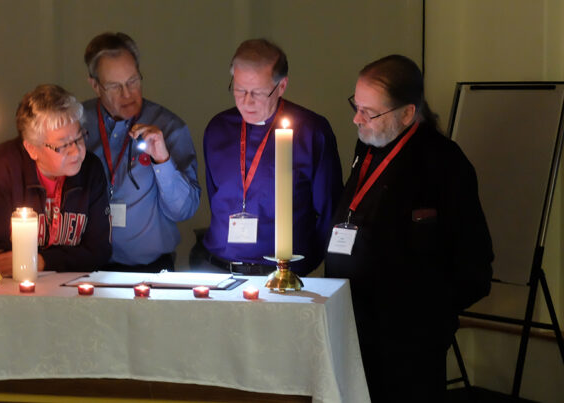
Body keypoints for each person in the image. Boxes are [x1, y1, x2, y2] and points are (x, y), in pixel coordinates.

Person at [325, 55, 494, 402]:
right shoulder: (368, 146)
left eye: (369, 112)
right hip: (353, 327)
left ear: (407, 113)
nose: (356, 118)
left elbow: (474, 264)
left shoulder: (445, 164)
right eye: (356, 106)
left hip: (408, 343)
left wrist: (424, 315)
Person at [200, 38, 342, 276]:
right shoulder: (218, 129)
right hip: (220, 269)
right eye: (239, 90)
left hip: (281, 274)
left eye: (258, 92)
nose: (246, 102)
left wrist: (302, 265)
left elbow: (328, 210)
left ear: (282, 86)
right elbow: (215, 195)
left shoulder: (311, 131)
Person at [0, 84, 112, 279]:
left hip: (64, 289)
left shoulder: (91, 169)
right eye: (63, 144)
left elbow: (99, 251)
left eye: (80, 137)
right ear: (32, 149)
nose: (76, 150)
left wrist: (41, 260)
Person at [81, 32, 200, 272]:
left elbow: (184, 210)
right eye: (115, 86)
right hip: (86, 270)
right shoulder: (76, 125)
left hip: (151, 271)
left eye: (133, 81)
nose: (127, 94)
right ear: (95, 85)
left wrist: (162, 160)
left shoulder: (169, 127)